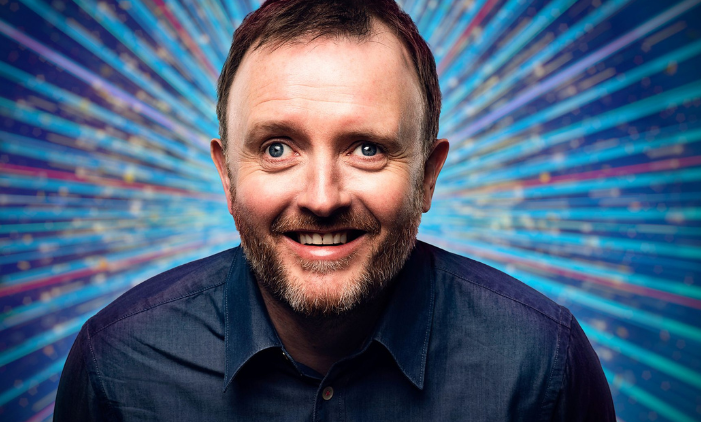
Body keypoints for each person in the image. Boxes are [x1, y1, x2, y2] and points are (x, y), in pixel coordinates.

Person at [54, 0, 615, 420]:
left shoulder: (543, 366)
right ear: (226, 176)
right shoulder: (116, 367)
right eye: (277, 148)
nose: (322, 198)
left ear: (427, 176)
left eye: (367, 149)